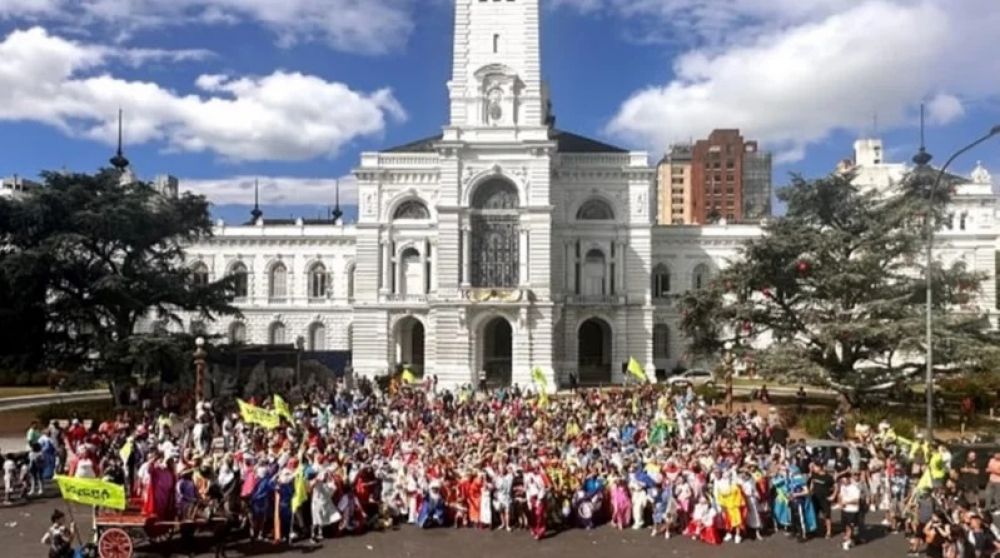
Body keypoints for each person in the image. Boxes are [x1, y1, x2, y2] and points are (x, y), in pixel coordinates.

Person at [810, 462, 836, 539]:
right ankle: (815, 529)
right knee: (814, 514)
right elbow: (812, 483)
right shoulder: (814, 475)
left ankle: (828, 532)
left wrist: (833, 496)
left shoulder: (828, 477)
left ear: (820, 467)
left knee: (827, 516)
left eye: (815, 467)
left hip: (825, 499)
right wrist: (810, 491)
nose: (813, 468)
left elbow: (836, 486)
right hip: (815, 498)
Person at [838, 473, 863, 550]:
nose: (843, 482)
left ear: (849, 479)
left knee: (850, 526)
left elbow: (856, 501)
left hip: (852, 510)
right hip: (845, 510)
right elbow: (841, 495)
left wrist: (847, 503)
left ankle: (847, 542)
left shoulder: (855, 488)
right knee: (846, 526)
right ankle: (849, 539)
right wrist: (840, 503)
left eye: (845, 480)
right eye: (842, 480)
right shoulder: (842, 487)